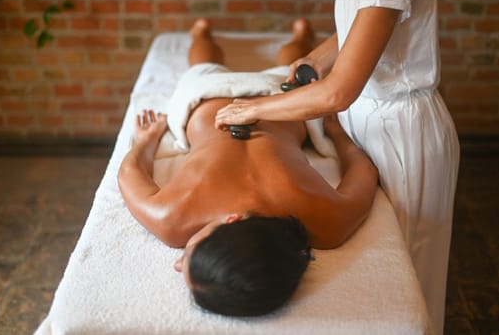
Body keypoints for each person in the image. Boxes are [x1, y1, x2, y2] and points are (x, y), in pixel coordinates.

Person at [214, 0, 460, 333]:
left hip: (402, 132)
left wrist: (253, 108)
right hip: (368, 119)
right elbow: (366, 25)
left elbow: (338, 91)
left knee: (410, 278)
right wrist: (318, 59)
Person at [118, 19, 378, 317]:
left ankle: (298, 35)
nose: (177, 263)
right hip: (209, 97)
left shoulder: (330, 223)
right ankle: (203, 32)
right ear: (231, 220)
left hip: (285, 100)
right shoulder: (171, 217)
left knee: (293, 67)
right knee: (203, 65)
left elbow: (362, 172)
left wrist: (339, 138)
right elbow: (130, 173)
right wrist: (147, 141)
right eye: (188, 255)